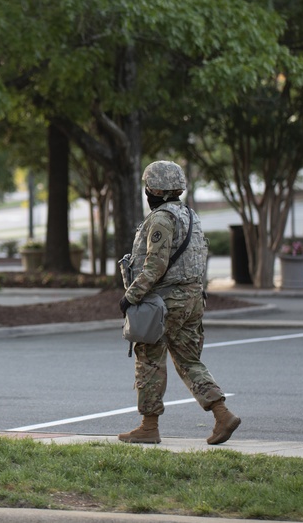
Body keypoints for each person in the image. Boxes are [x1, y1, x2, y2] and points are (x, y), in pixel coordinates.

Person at [117, 160, 241, 445]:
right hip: (193, 299)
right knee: (188, 360)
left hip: (165, 301)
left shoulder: (161, 219)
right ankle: (222, 414)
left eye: (149, 187)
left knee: (148, 358)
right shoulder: (190, 216)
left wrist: (131, 296)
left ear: (156, 190)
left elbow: (155, 265)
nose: (146, 191)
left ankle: (149, 426)